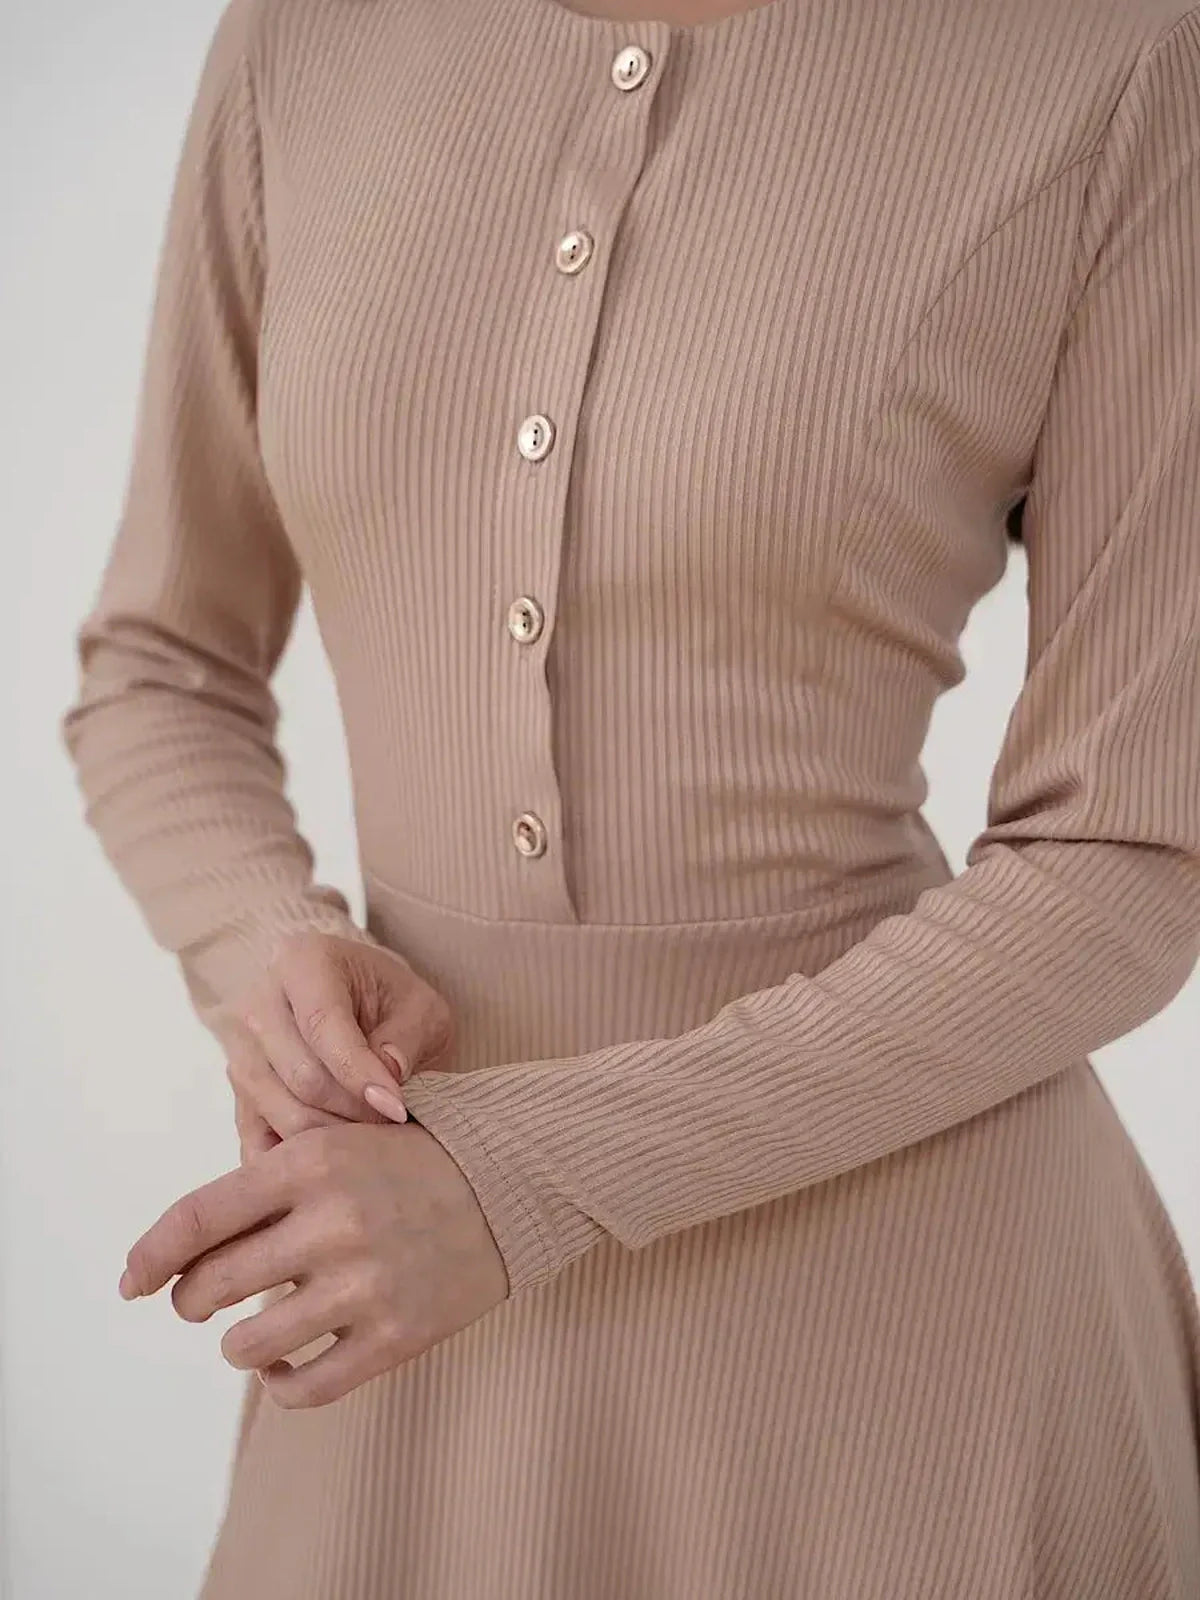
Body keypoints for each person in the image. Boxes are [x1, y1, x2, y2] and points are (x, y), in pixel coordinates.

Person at [61, 0, 1200, 1593]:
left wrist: (524, 1174)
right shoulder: (303, 44)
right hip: (393, 1266)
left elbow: (1128, 855)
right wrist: (264, 949)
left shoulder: (1113, 62)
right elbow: (161, 664)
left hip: (908, 1316)